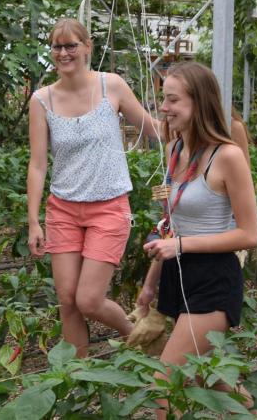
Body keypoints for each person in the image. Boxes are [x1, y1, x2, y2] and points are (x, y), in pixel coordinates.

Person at [27, 18, 160, 358]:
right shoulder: (42, 100)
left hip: (108, 207)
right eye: (57, 46)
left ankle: (140, 338)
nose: (63, 53)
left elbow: (152, 129)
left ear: (87, 47)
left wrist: (196, 126)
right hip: (63, 209)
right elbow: (38, 164)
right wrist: (33, 221)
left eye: (71, 45)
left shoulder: (110, 86)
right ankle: (76, 376)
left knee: (88, 299)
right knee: (67, 300)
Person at [136, 62, 257, 419]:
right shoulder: (174, 149)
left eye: (173, 100)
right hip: (178, 275)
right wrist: (150, 284)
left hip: (213, 279)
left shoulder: (228, 156)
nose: (164, 107)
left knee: (165, 384)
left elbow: (249, 234)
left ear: (199, 102)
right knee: (210, 376)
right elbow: (172, 223)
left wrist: (181, 245)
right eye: (163, 99)